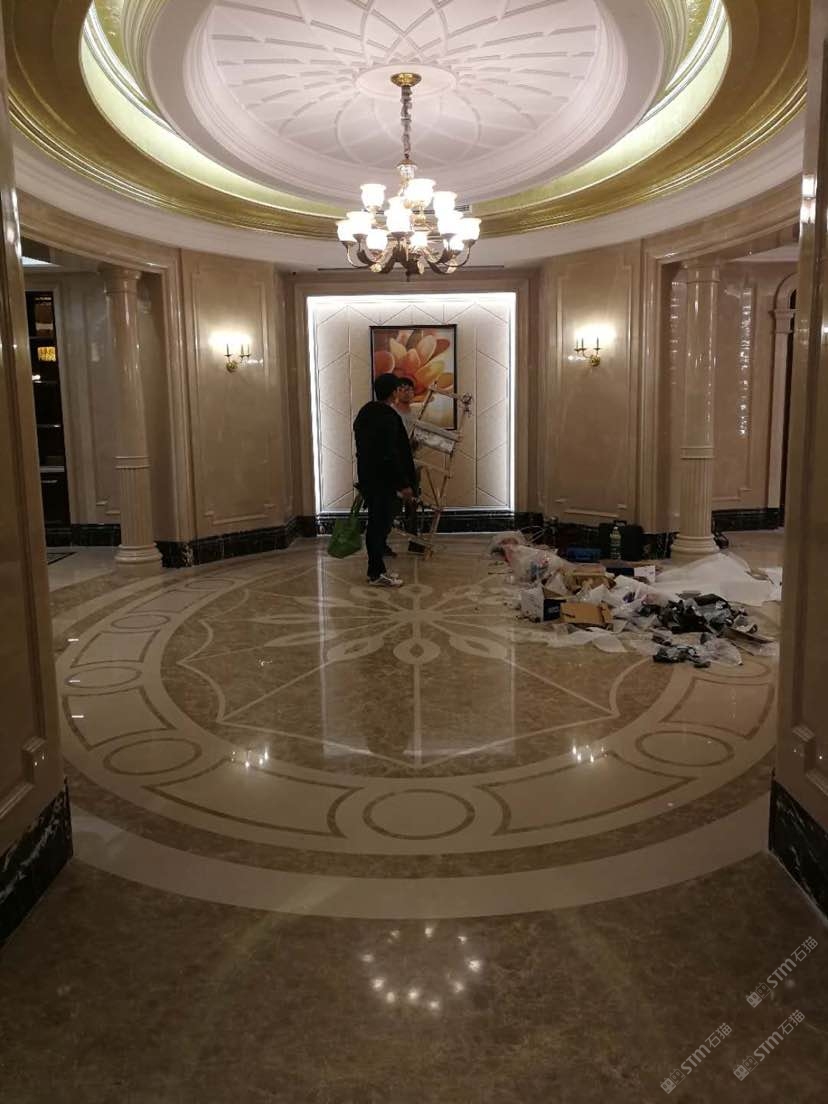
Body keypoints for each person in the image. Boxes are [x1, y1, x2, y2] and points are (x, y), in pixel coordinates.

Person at [353, 373, 417, 587]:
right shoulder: (387, 417)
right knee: (379, 526)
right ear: (393, 392)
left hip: (369, 478)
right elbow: (390, 454)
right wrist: (404, 484)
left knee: (376, 524)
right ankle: (376, 573)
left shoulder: (365, 413)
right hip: (384, 482)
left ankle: (377, 570)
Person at [392, 377, 425, 553]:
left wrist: (416, 443)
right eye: (402, 388)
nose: (406, 392)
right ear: (396, 392)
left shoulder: (416, 413)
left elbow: (420, 438)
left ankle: (413, 539)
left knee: (413, 501)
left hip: (412, 462)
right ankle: (383, 540)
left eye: (409, 389)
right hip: (395, 463)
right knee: (393, 501)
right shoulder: (391, 412)